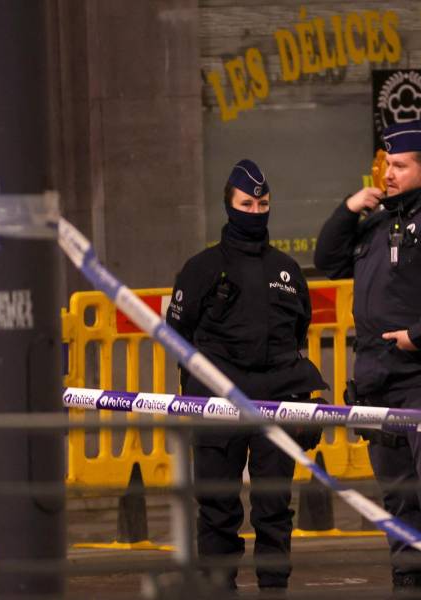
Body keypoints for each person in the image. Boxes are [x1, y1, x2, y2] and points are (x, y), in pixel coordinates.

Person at [314, 120, 421, 596]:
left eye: (399, 166)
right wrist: (349, 210)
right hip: (376, 376)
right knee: (396, 488)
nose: (387, 174)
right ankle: (408, 573)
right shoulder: (377, 221)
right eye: (386, 164)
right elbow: (328, 260)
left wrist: (418, 335)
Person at [167, 159, 328, 594]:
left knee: (274, 507)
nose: (255, 211)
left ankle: (274, 586)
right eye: (246, 203)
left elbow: (299, 331)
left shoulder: (287, 270)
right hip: (217, 399)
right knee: (217, 506)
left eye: (262, 203)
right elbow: (178, 334)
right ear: (229, 205)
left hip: (276, 397)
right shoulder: (201, 269)